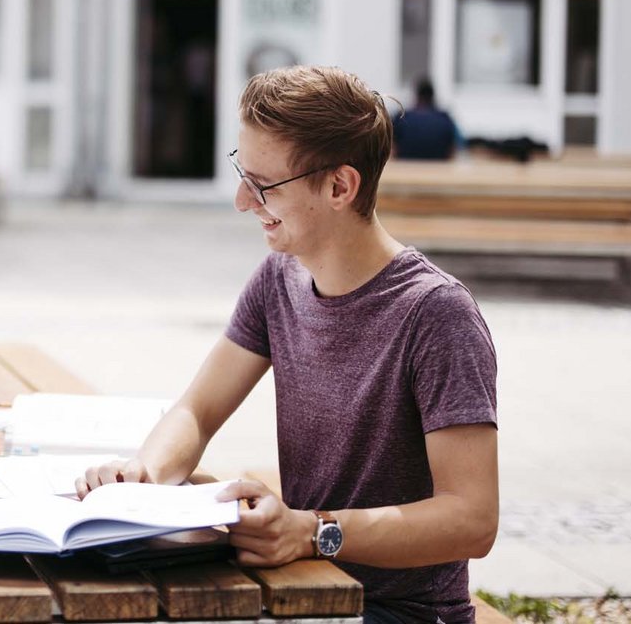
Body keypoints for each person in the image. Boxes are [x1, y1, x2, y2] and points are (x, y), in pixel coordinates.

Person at [79, 66, 497, 624]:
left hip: (396, 612)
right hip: (301, 589)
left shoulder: (436, 314)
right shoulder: (281, 278)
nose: (240, 201)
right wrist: (142, 475)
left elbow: (472, 519)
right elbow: (197, 412)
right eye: (240, 173)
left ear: (339, 187)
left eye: (262, 185)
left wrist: (314, 531)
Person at [392, 77, 462, 161]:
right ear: (433, 96)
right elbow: (456, 148)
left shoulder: (402, 118)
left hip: (405, 169)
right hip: (440, 170)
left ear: (416, 95)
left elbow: (392, 148)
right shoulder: (445, 119)